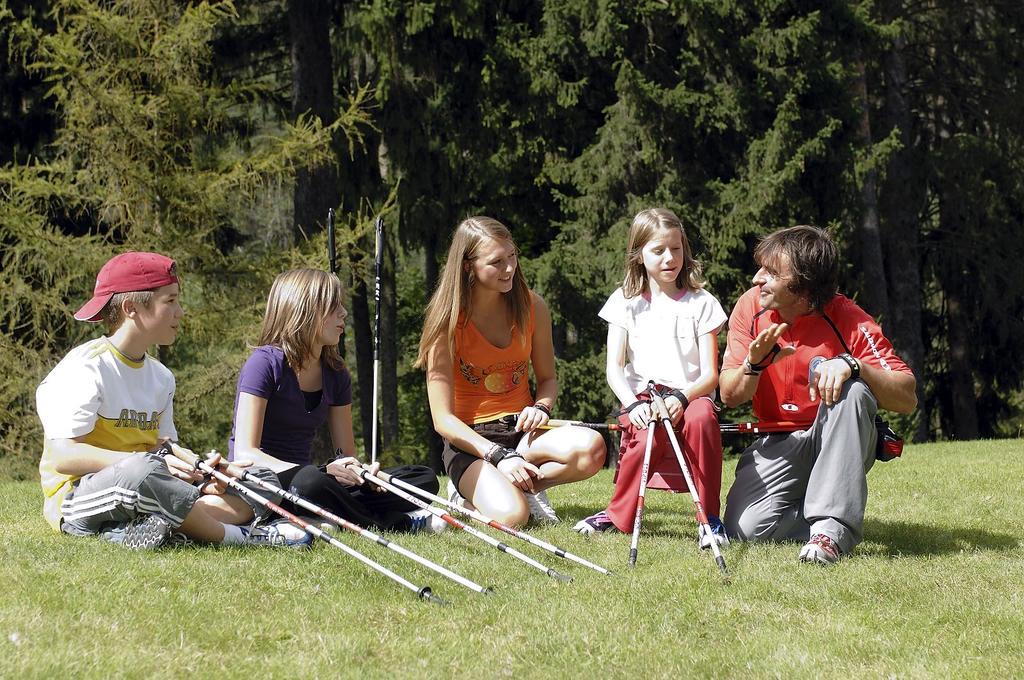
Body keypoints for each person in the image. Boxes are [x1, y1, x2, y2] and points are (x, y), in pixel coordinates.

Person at [36, 252, 309, 549]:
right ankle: (240, 538)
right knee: (143, 472)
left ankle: (155, 528)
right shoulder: (85, 367)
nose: (180, 312)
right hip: (79, 497)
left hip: (147, 482)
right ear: (131, 308)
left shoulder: (161, 377)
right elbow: (64, 457)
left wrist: (205, 472)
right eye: (170, 301)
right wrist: (147, 462)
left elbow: (162, 447)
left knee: (260, 477)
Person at [720, 225, 917, 564]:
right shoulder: (749, 307)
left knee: (854, 391)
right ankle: (828, 506)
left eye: (770, 273)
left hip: (836, 435)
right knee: (745, 528)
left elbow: (907, 396)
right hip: (779, 442)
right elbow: (730, 395)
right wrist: (753, 365)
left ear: (803, 287)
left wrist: (854, 365)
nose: (756, 279)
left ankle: (831, 531)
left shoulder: (850, 319)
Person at [416, 216, 606, 527]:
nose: (509, 268)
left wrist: (541, 407)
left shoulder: (533, 307)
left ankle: (525, 485)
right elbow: (443, 420)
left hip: (521, 432)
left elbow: (547, 380)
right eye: (497, 262)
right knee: (514, 518)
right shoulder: (446, 323)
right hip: (472, 442)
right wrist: (497, 456)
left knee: (592, 449)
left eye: (512, 256)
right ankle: (465, 496)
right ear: (467, 266)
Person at [229, 268, 445, 534]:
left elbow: (346, 454)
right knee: (311, 483)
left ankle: (326, 516)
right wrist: (321, 472)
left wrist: (359, 472)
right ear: (303, 309)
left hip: (317, 480)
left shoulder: (335, 372)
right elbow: (245, 453)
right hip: (266, 480)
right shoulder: (264, 363)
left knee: (421, 478)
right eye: (333, 306)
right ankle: (395, 523)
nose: (343, 313)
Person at [573, 208, 729, 549]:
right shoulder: (624, 302)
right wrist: (632, 403)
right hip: (643, 397)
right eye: (658, 250)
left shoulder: (702, 303)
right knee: (644, 439)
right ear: (639, 255)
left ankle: (709, 520)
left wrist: (682, 399)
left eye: (676, 248)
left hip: (691, 396)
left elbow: (710, 375)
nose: (669, 258)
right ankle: (618, 516)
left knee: (703, 420)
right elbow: (614, 367)